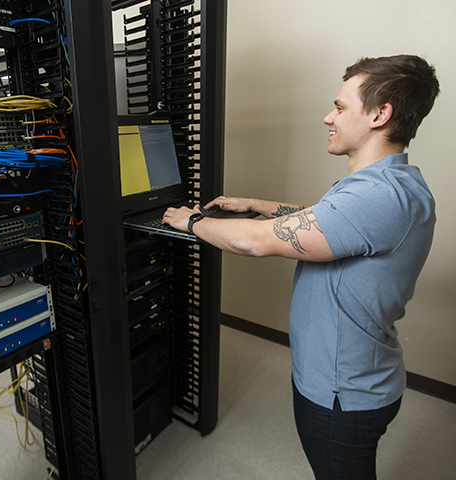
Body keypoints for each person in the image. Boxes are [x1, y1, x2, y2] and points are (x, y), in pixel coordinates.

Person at [163, 54, 440, 479]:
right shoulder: (388, 185)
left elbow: (255, 243)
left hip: (341, 394)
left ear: (380, 114)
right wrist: (256, 204)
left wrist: (193, 221)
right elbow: (324, 220)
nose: (328, 117)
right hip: (361, 376)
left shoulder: (378, 197)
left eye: (341, 107)